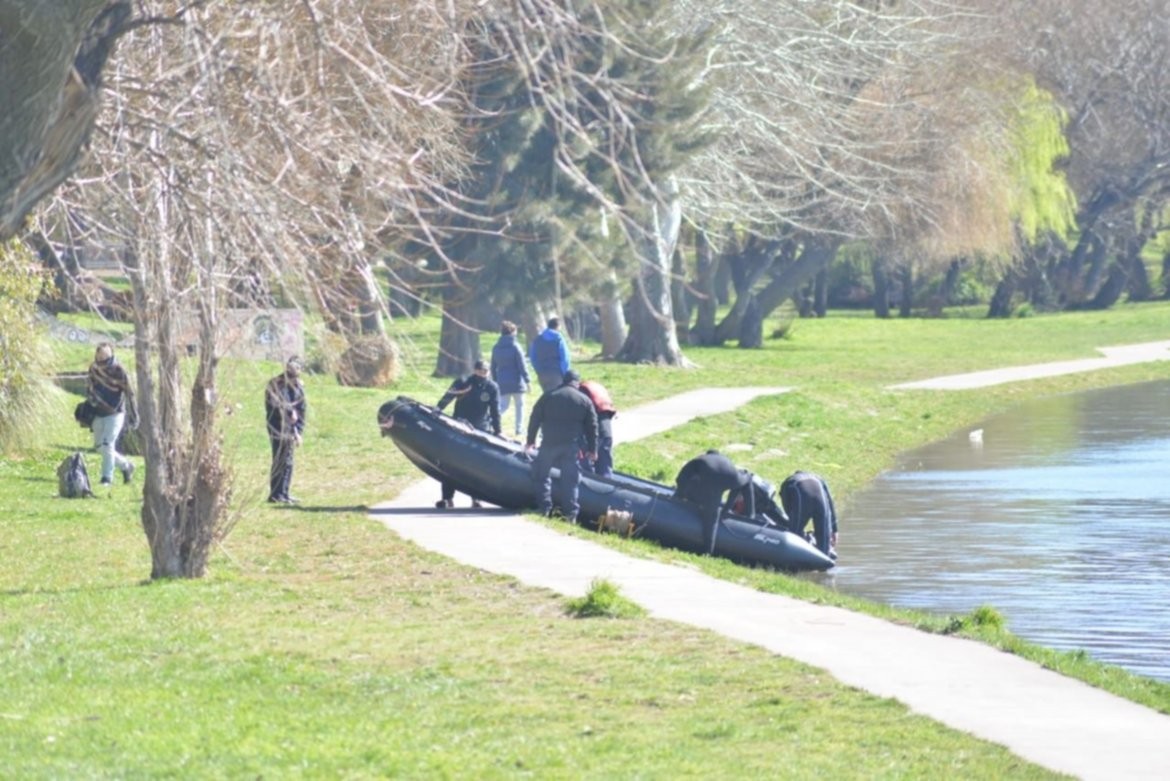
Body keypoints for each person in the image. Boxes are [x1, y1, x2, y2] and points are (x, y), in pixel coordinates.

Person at [525, 370, 597, 522]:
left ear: (563, 381)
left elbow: (534, 418)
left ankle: (544, 508)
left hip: (549, 444)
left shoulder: (548, 396)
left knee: (542, 476)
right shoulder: (584, 400)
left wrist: (530, 440)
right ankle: (570, 515)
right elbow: (592, 427)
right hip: (571, 446)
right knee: (570, 481)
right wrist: (592, 450)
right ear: (577, 383)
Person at [435, 359, 501, 508]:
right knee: (451, 462)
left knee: (476, 466)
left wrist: (498, 431)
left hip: (480, 429)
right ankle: (447, 498)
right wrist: (439, 408)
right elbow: (449, 395)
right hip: (459, 426)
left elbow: (495, 411)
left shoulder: (492, 387)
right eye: (480, 371)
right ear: (475, 370)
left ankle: (476, 499)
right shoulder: (463, 382)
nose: (483, 374)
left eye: (485, 371)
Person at [674, 449, 752, 553]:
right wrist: (726, 509)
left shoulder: (700, 460)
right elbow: (736, 487)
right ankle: (751, 515)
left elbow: (681, 478)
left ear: (707, 454)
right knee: (748, 479)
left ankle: (708, 551)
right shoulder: (724, 460)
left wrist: (679, 495)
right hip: (732, 475)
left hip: (712, 477)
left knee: (711, 518)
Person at [86, 342, 136, 486]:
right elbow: (89, 387)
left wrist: (134, 414)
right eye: (100, 355)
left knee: (108, 444)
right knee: (99, 446)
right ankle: (126, 465)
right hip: (98, 412)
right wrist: (91, 403)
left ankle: (106, 478)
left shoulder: (119, 370)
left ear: (111, 354)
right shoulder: (93, 368)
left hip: (115, 413)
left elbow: (129, 392)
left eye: (105, 355)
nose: (102, 358)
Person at [265, 356, 306, 504]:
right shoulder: (276, 384)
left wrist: (298, 432)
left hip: (291, 429)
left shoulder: (298, 386)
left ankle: (284, 493)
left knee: (288, 461)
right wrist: (290, 412)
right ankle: (276, 494)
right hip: (277, 426)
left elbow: (301, 410)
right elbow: (278, 403)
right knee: (280, 460)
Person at [780, 470, 839, 558]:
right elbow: (830, 502)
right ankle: (824, 561)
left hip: (802, 500)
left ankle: (794, 561)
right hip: (821, 502)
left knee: (794, 536)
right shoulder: (818, 478)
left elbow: (786, 503)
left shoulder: (789, 481)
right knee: (824, 544)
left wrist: (791, 519)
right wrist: (834, 530)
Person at [490, 320, 531, 438]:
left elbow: (493, 366)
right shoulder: (515, 346)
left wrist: (495, 380)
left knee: (503, 405)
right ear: (513, 332)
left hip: (502, 381)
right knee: (519, 406)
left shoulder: (496, 347)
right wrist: (527, 380)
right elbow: (522, 366)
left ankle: (490, 420)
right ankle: (519, 429)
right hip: (517, 381)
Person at [577, 378, 616, 478]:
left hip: (594, 434)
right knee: (605, 467)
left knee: (585, 464)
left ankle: (588, 482)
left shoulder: (581, 392)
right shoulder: (596, 389)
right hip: (607, 433)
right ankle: (607, 483)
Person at [529, 316, 571, 393]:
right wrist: (565, 373)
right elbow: (565, 357)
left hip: (542, 374)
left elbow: (533, 358)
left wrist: (539, 371)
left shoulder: (537, 339)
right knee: (558, 397)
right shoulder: (558, 338)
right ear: (558, 326)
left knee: (547, 398)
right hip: (556, 373)